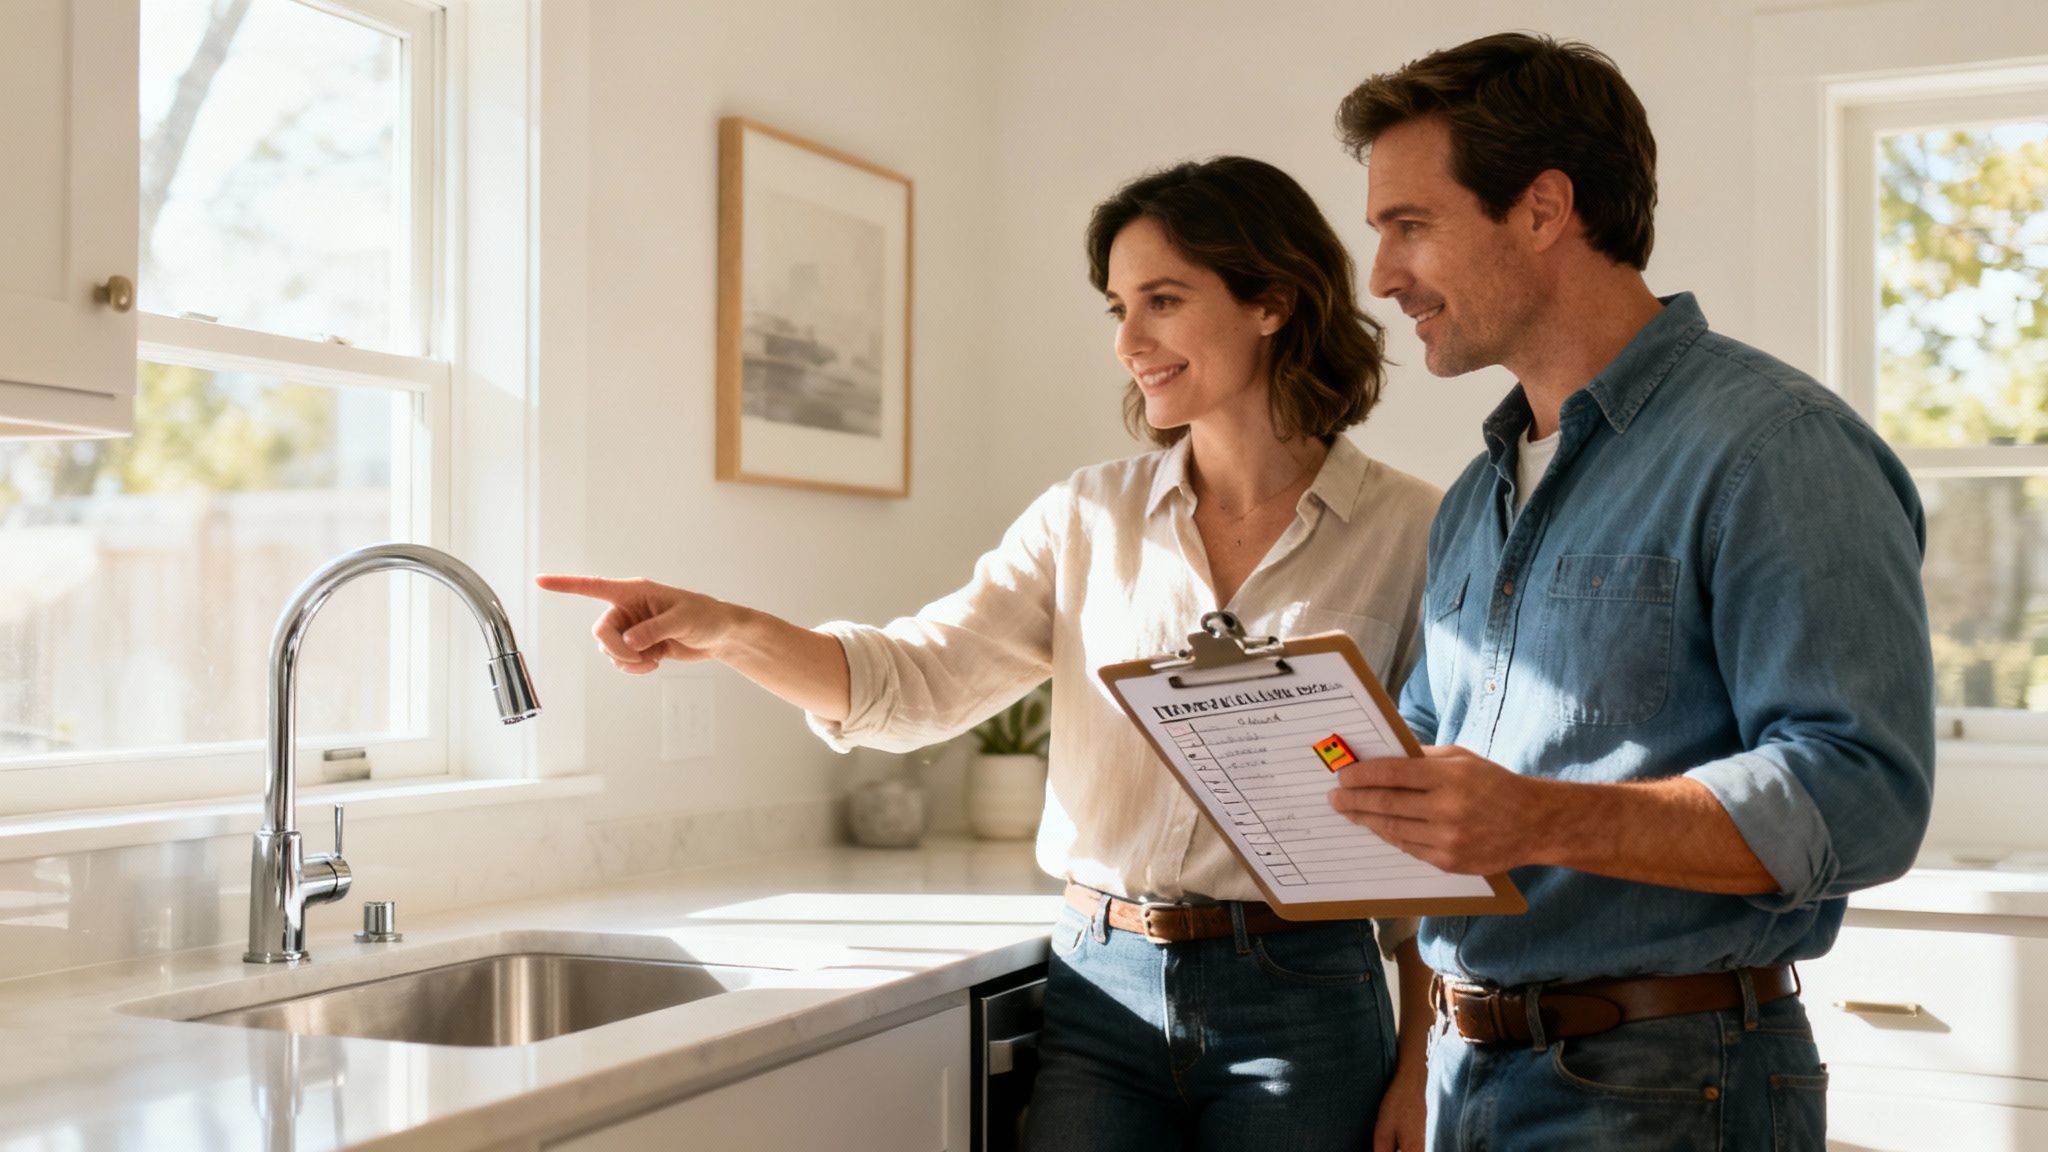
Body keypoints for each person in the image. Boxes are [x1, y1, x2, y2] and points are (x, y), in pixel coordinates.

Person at [540, 156, 1443, 1151]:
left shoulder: (1414, 531)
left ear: (1269, 301)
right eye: (1116, 307)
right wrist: (728, 628)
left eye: (1161, 301)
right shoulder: (1086, 517)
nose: (1127, 343)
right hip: (1103, 991)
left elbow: (1444, 813)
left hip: (1306, 998)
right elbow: (914, 684)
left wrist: (1422, 1064)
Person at [1322, 32, 1935, 1152]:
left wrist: (1535, 816)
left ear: (1544, 208)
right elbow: (1428, 768)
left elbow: (1862, 796)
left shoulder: (1775, 448)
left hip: (1663, 1090)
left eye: (1409, 224)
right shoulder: (1472, 498)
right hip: (1468, 1076)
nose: (1381, 276)